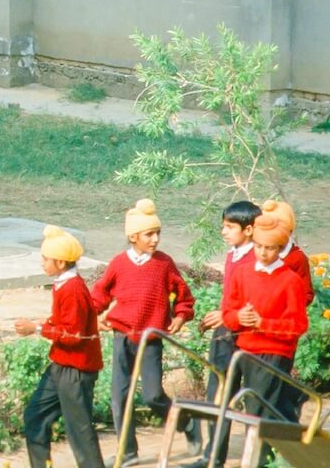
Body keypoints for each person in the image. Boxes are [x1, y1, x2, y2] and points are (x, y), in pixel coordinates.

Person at [90, 199, 199, 466]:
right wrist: (91, 317)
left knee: (152, 395)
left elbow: (184, 296)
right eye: (149, 234)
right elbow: (99, 295)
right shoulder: (118, 264)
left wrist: (182, 315)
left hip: (151, 339)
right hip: (122, 337)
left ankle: (185, 420)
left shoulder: (164, 264)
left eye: (158, 233)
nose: (155, 239)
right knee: (120, 397)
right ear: (133, 236)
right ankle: (127, 451)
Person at [220, 212, 309, 468]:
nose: (262, 253)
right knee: (269, 407)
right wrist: (239, 316)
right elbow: (228, 312)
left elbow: (298, 326)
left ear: (280, 248)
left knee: (258, 412)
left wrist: (262, 323)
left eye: (269, 248)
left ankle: (259, 462)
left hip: (275, 352)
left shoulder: (290, 280)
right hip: (245, 351)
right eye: (258, 246)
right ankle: (294, 453)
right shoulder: (241, 272)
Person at [14, 225, 105, 468]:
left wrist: (36, 328)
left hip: (76, 369)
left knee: (80, 431)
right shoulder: (63, 284)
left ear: (61, 263)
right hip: (62, 364)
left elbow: (73, 335)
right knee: (35, 416)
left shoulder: (73, 289)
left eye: (46, 259)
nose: (42, 263)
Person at [189, 199, 261, 468]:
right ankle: (213, 457)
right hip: (226, 332)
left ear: (249, 229)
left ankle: (258, 459)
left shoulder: (257, 257)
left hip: (249, 337)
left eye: (230, 227)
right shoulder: (233, 254)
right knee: (217, 395)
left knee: (252, 400)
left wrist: (226, 315)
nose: (224, 232)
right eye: (224, 226)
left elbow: (254, 301)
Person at [258, 199, 314, 304]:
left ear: (290, 231)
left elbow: (307, 294)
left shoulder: (297, 258)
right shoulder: (258, 251)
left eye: (280, 231)